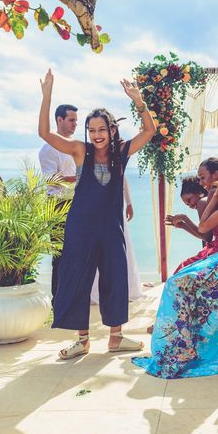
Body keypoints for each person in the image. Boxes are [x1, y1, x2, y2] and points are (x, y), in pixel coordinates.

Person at [38, 69, 156, 359]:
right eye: (91, 130)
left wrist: (139, 100)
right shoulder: (80, 151)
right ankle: (82, 340)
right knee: (78, 276)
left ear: (112, 130)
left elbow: (149, 130)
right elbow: (44, 133)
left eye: (101, 129)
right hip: (81, 226)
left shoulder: (122, 152)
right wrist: (47, 95)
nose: (96, 135)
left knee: (115, 276)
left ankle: (115, 338)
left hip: (111, 226)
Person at [133, 150, 218, 378]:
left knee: (175, 283)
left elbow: (203, 228)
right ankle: (181, 336)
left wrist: (217, 193)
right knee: (184, 277)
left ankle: (181, 346)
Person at [38, 104, 78, 299]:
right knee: (60, 256)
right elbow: (51, 179)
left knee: (76, 254)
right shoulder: (48, 148)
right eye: (71, 120)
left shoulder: (74, 145)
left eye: (76, 121)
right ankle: (58, 299)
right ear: (59, 120)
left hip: (75, 203)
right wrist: (80, 177)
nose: (75, 124)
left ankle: (73, 296)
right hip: (57, 205)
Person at [91, 171, 143, 304]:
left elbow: (123, 178)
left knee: (120, 249)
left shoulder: (114, 160)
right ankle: (98, 291)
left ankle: (123, 289)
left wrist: (129, 203)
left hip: (115, 208)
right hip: (96, 209)